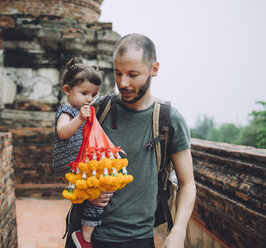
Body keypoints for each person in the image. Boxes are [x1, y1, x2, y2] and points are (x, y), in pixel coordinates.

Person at [64, 33, 196, 248]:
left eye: (133, 74)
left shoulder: (168, 120)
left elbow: (187, 183)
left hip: (137, 238)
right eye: (118, 73)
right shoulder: (97, 110)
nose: (123, 83)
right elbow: (67, 158)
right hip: (86, 235)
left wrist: (178, 232)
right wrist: (85, 192)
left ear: (154, 69)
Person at [52, 57, 107, 248]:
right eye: (84, 93)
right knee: (96, 196)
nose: (89, 99)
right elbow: (62, 131)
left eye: (93, 94)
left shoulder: (84, 111)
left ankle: (86, 234)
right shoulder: (66, 110)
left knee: (96, 197)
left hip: (79, 163)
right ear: (67, 90)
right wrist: (79, 119)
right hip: (68, 162)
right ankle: (85, 237)